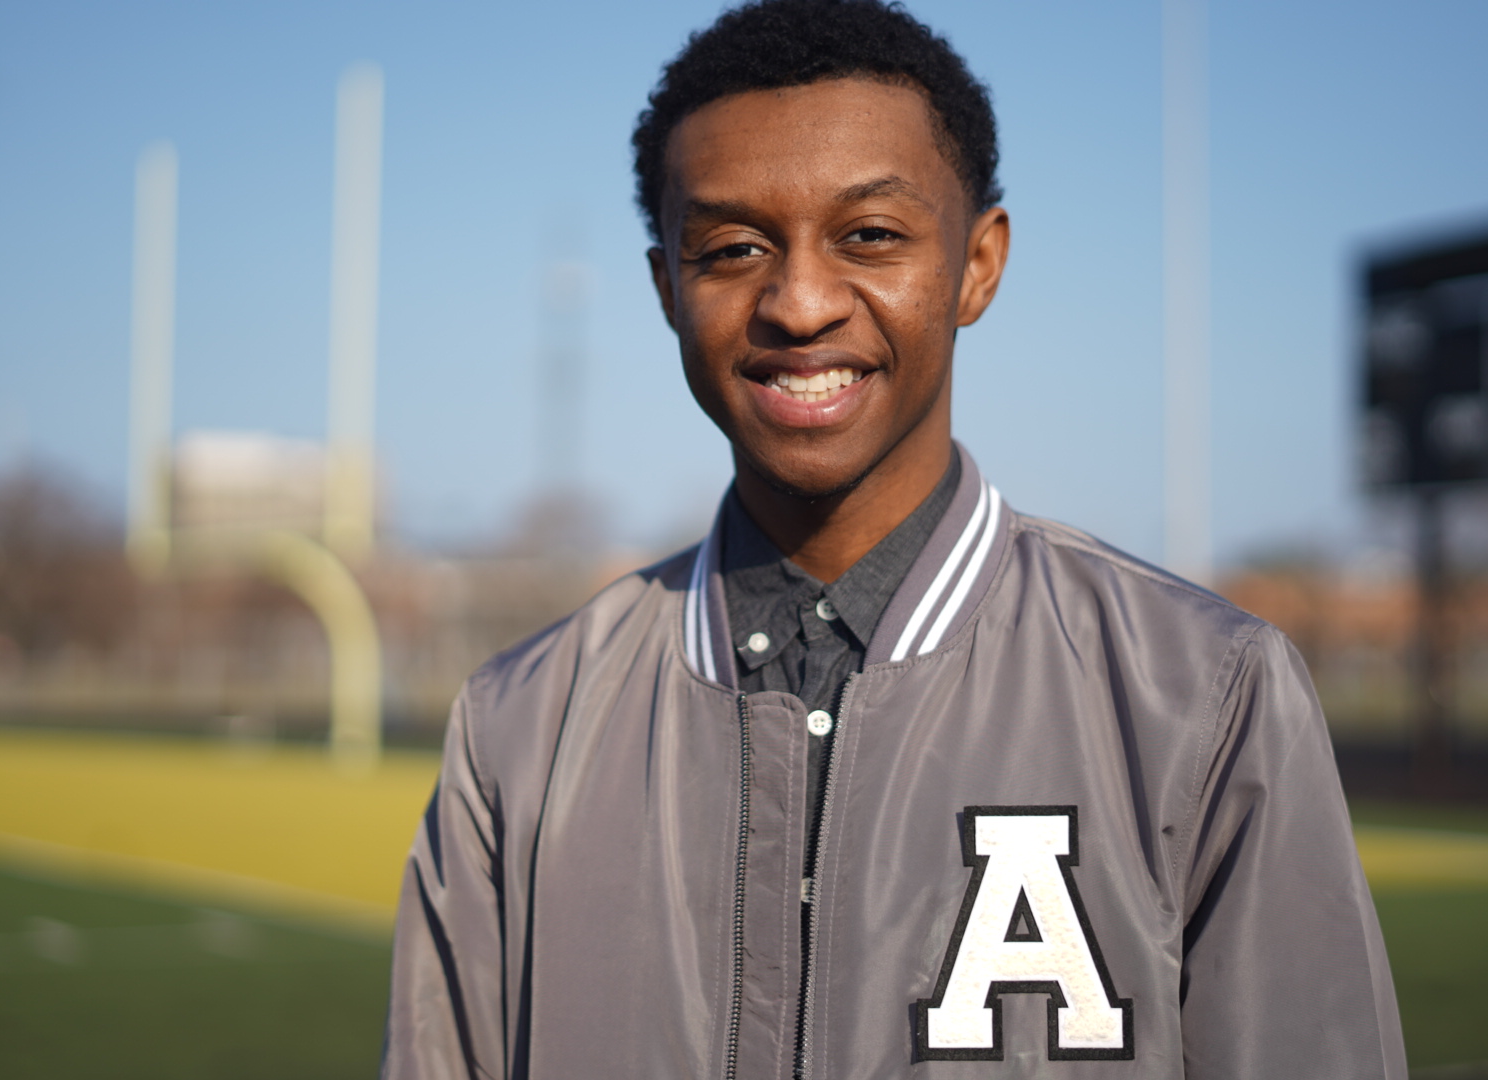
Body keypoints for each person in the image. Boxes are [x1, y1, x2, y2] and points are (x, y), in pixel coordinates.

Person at [383, 1, 1406, 1076]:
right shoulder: (519, 731)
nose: (801, 302)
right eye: (732, 248)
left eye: (869, 235)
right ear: (667, 291)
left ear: (978, 263)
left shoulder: (1202, 694)